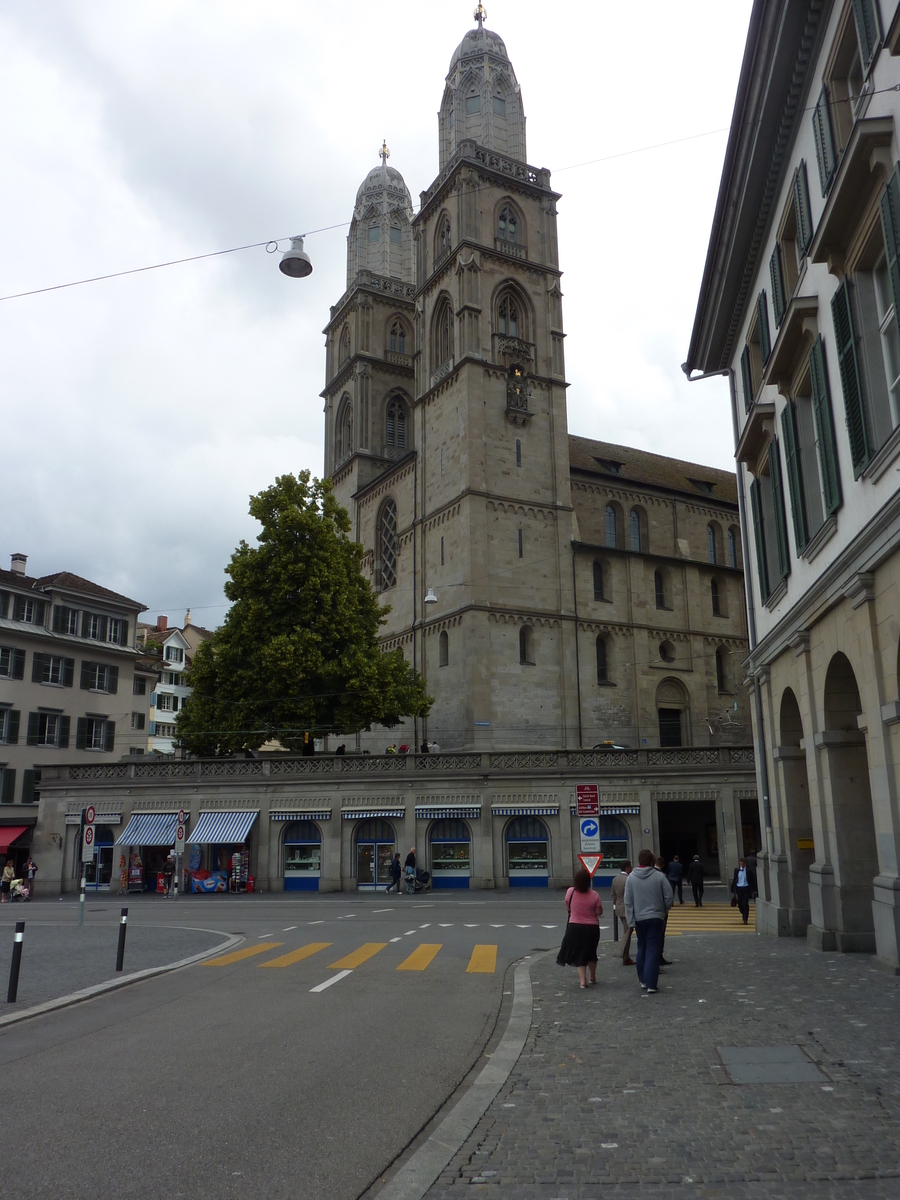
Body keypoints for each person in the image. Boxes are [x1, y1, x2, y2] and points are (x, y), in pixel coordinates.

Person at [624, 849, 673, 995]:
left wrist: (631, 920)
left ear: (639, 861)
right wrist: (664, 910)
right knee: (653, 949)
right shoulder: (659, 877)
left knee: (642, 948)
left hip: (639, 919)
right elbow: (669, 897)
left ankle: (643, 980)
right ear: (652, 861)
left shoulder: (631, 878)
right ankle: (652, 983)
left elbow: (628, 901)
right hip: (656, 917)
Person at [556, 867, 602, 988]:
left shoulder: (570, 892)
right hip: (591, 928)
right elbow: (599, 912)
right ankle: (592, 976)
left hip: (574, 927)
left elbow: (567, 905)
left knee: (579, 954)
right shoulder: (595, 895)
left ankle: (583, 981)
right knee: (591, 952)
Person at [610, 861, 635, 966]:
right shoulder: (629, 879)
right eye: (631, 867)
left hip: (619, 908)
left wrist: (616, 905)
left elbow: (613, 895)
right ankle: (624, 954)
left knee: (627, 930)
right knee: (627, 931)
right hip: (627, 908)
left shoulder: (615, 879)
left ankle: (625, 956)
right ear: (627, 868)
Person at [731, 857, 758, 924]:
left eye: (743, 864)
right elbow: (735, 879)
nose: (742, 865)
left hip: (746, 888)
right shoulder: (736, 870)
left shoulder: (749, 871)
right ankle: (743, 911)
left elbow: (752, 880)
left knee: (745, 903)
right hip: (739, 888)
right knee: (740, 903)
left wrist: (755, 889)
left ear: (745, 864)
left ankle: (745, 918)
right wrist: (733, 889)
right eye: (741, 864)